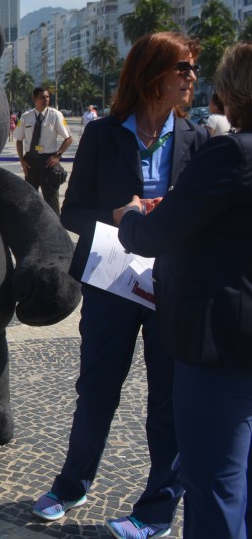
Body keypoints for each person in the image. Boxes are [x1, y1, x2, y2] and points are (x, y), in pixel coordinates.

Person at [31, 32, 208, 539]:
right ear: (152, 72)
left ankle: (155, 511)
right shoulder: (105, 136)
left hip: (173, 283)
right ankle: (72, 484)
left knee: (168, 398)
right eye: (182, 67)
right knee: (97, 388)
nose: (191, 77)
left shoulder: (196, 140)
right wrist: (116, 215)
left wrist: (170, 216)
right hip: (112, 279)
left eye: (193, 68)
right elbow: (72, 211)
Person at [113, 42, 252, 538]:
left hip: (221, 343)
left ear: (232, 91)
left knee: (213, 482)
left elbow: (153, 235)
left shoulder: (230, 152)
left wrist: (132, 214)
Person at [14, 86, 73, 215]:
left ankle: (55, 230)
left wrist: (57, 156)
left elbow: (68, 139)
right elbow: (18, 140)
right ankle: (31, 226)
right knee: (29, 198)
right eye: (42, 97)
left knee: (51, 200)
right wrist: (22, 161)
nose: (46, 100)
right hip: (31, 162)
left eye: (47, 97)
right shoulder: (25, 117)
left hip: (49, 162)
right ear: (34, 99)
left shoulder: (55, 115)